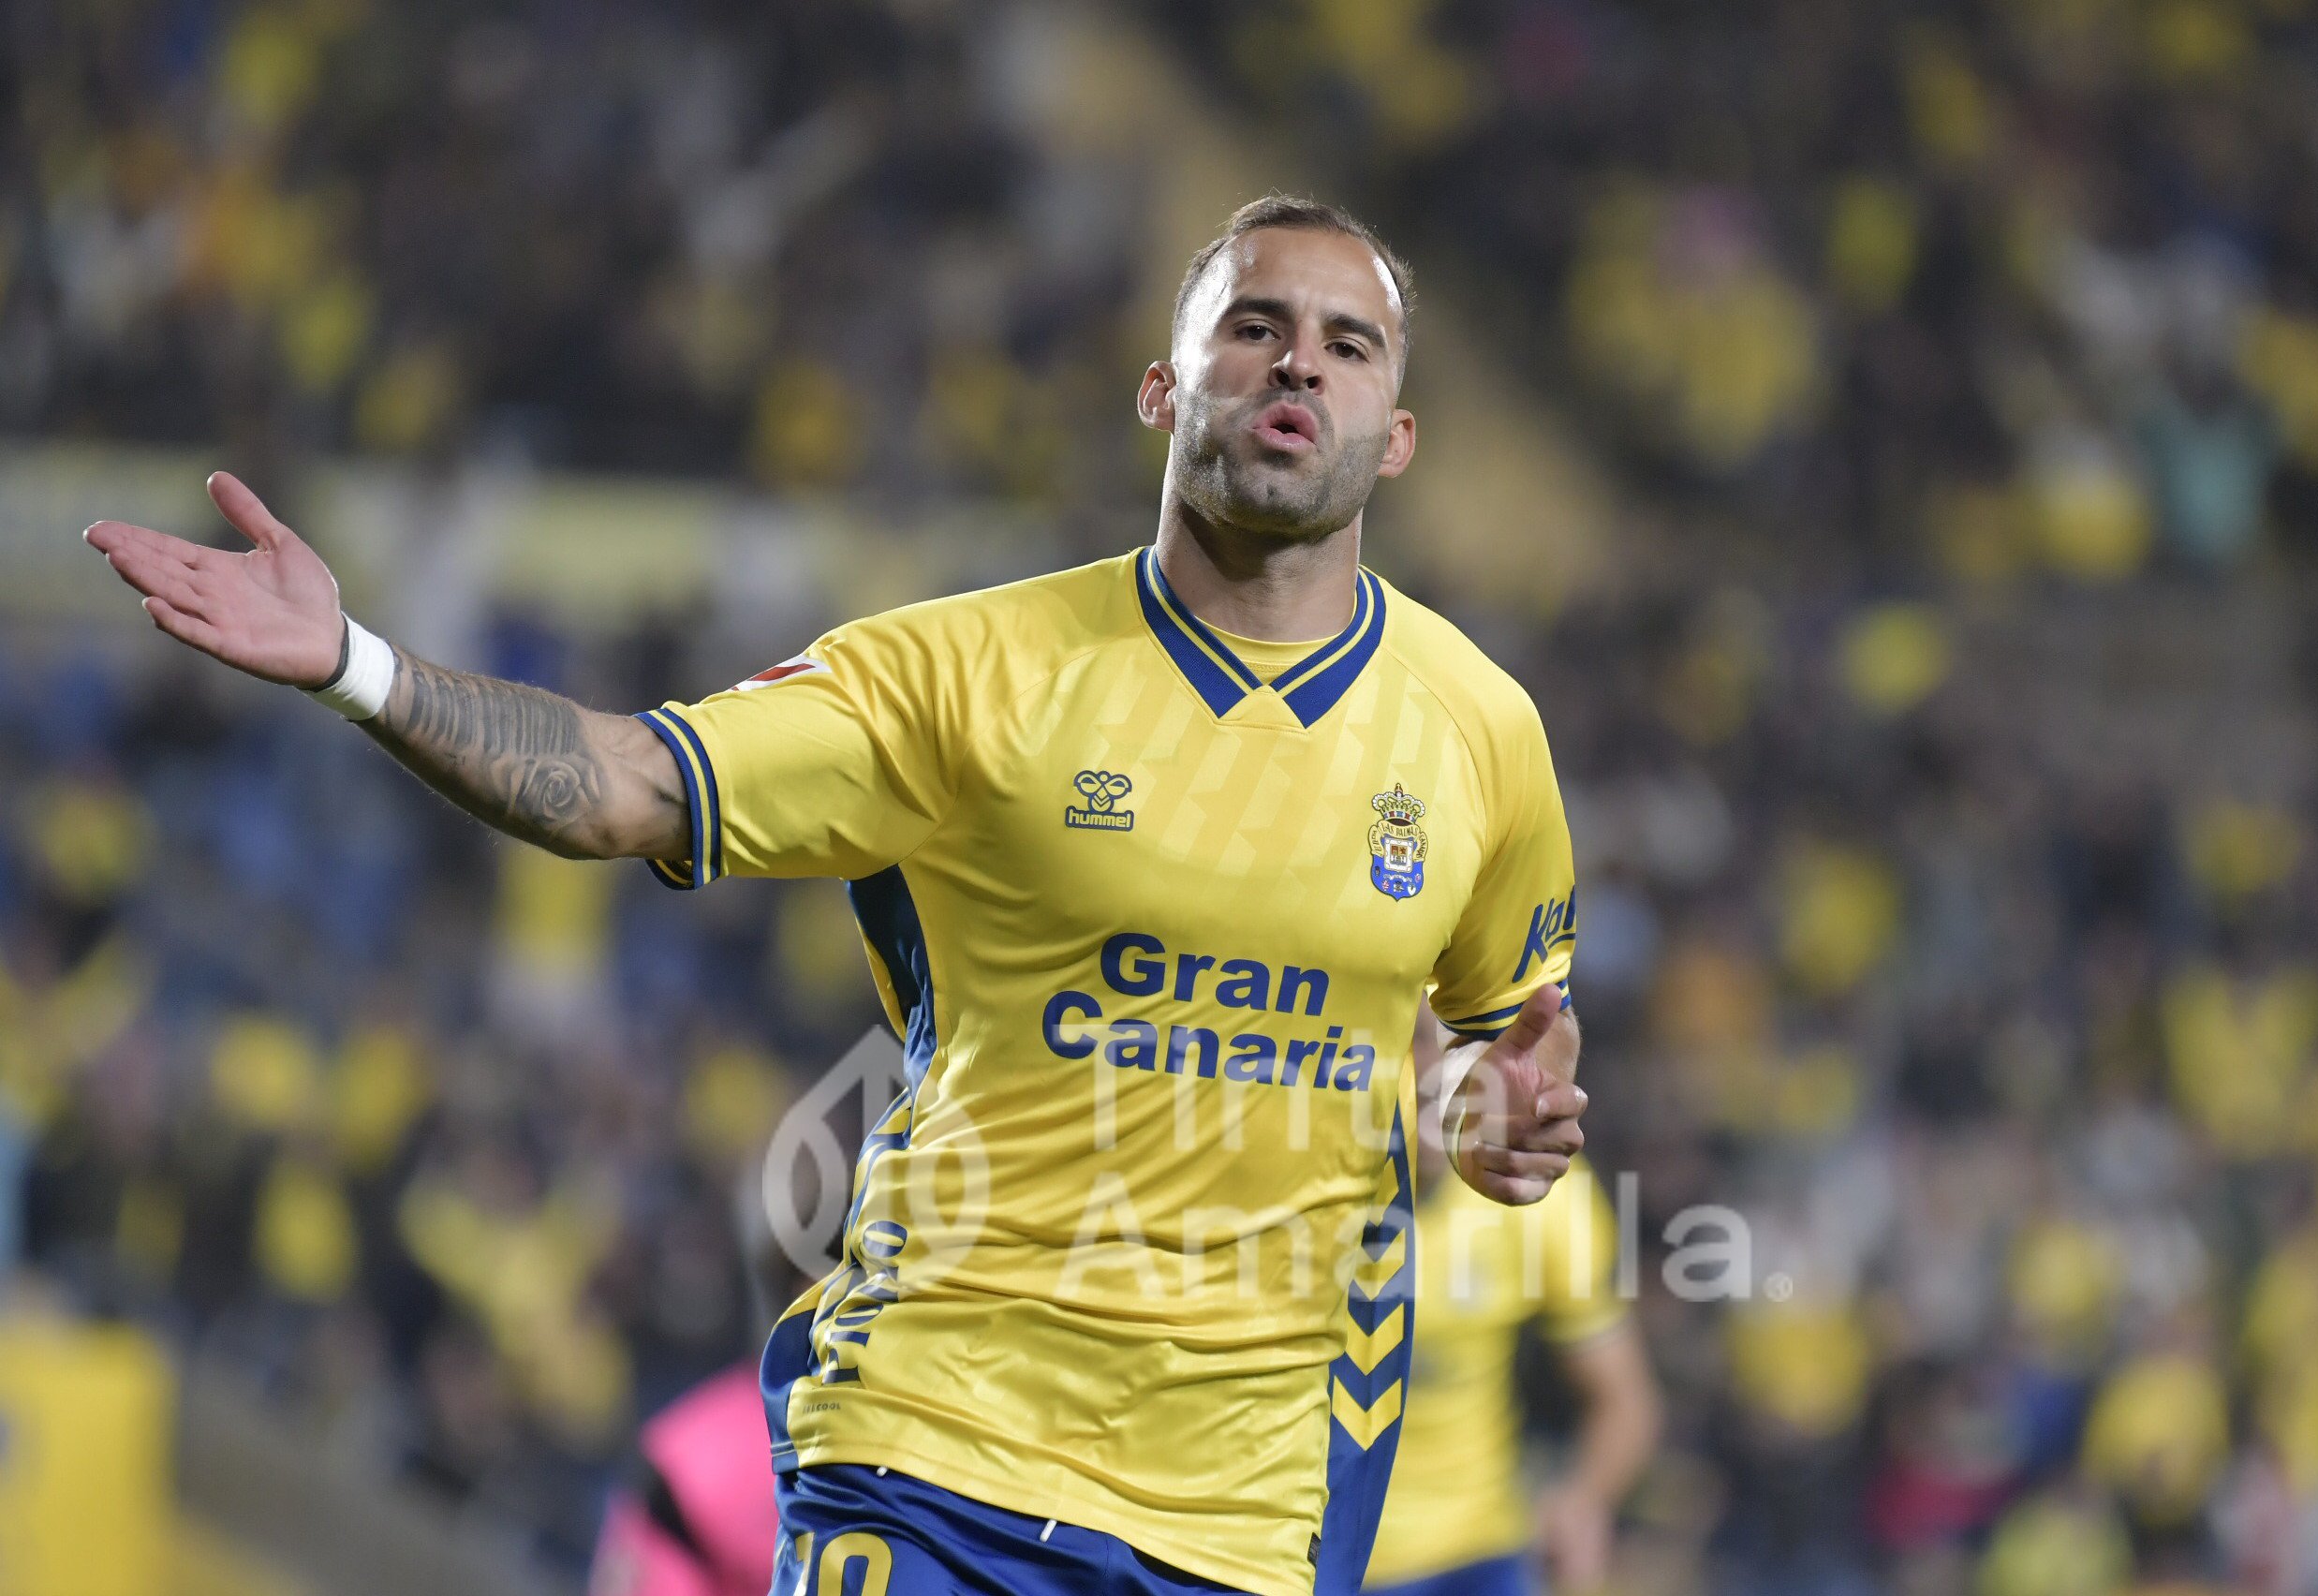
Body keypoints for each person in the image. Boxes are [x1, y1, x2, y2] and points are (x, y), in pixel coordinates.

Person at [83, 195, 1590, 1596]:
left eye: (1349, 345)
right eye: (1255, 325)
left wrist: (1487, 1108)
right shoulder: (966, 672)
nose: (1300, 364)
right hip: (937, 1459)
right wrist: (358, 667)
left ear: (1397, 435)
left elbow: (1494, 1034)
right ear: (1161, 388)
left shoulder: (1482, 733)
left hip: (1251, 1520)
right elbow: (629, 782)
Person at [1363, 1006, 1660, 1596]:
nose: (1435, 1072)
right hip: (1319, 1557)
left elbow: (1625, 1401)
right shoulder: (1299, 1201)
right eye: (1415, 1041)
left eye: (1463, 1046)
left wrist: (1582, 1500)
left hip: (1479, 1556)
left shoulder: (1541, 1195)